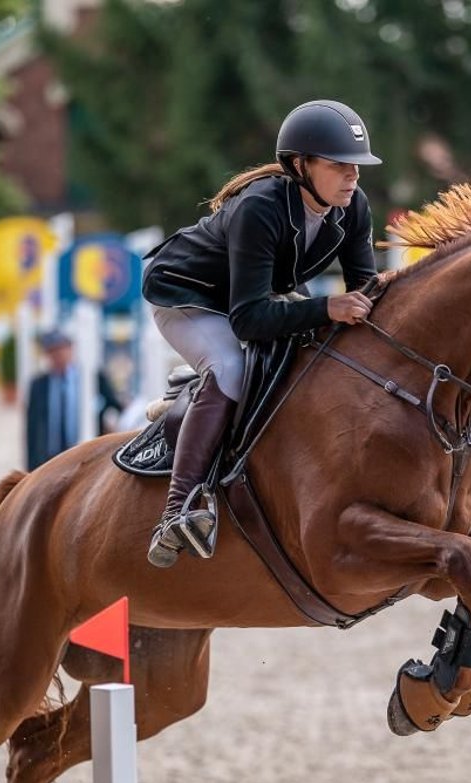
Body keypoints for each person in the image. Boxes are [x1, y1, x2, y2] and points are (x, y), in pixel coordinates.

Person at [141, 99, 382, 568]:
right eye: (339, 165)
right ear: (301, 165)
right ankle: (177, 510)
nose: (352, 176)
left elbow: (367, 291)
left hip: (250, 296)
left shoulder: (354, 208)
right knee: (230, 365)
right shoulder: (260, 207)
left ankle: (189, 398)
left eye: (356, 167)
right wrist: (327, 307)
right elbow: (249, 321)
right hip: (185, 294)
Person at [25, 329, 123, 471]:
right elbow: (32, 428)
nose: (57, 356)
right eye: (52, 351)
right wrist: (31, 467)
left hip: (87, 455)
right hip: (51, 458)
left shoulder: (92, 378)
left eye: (60, 349)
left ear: (70, 349)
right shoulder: (39, 385)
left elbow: (114, 406)